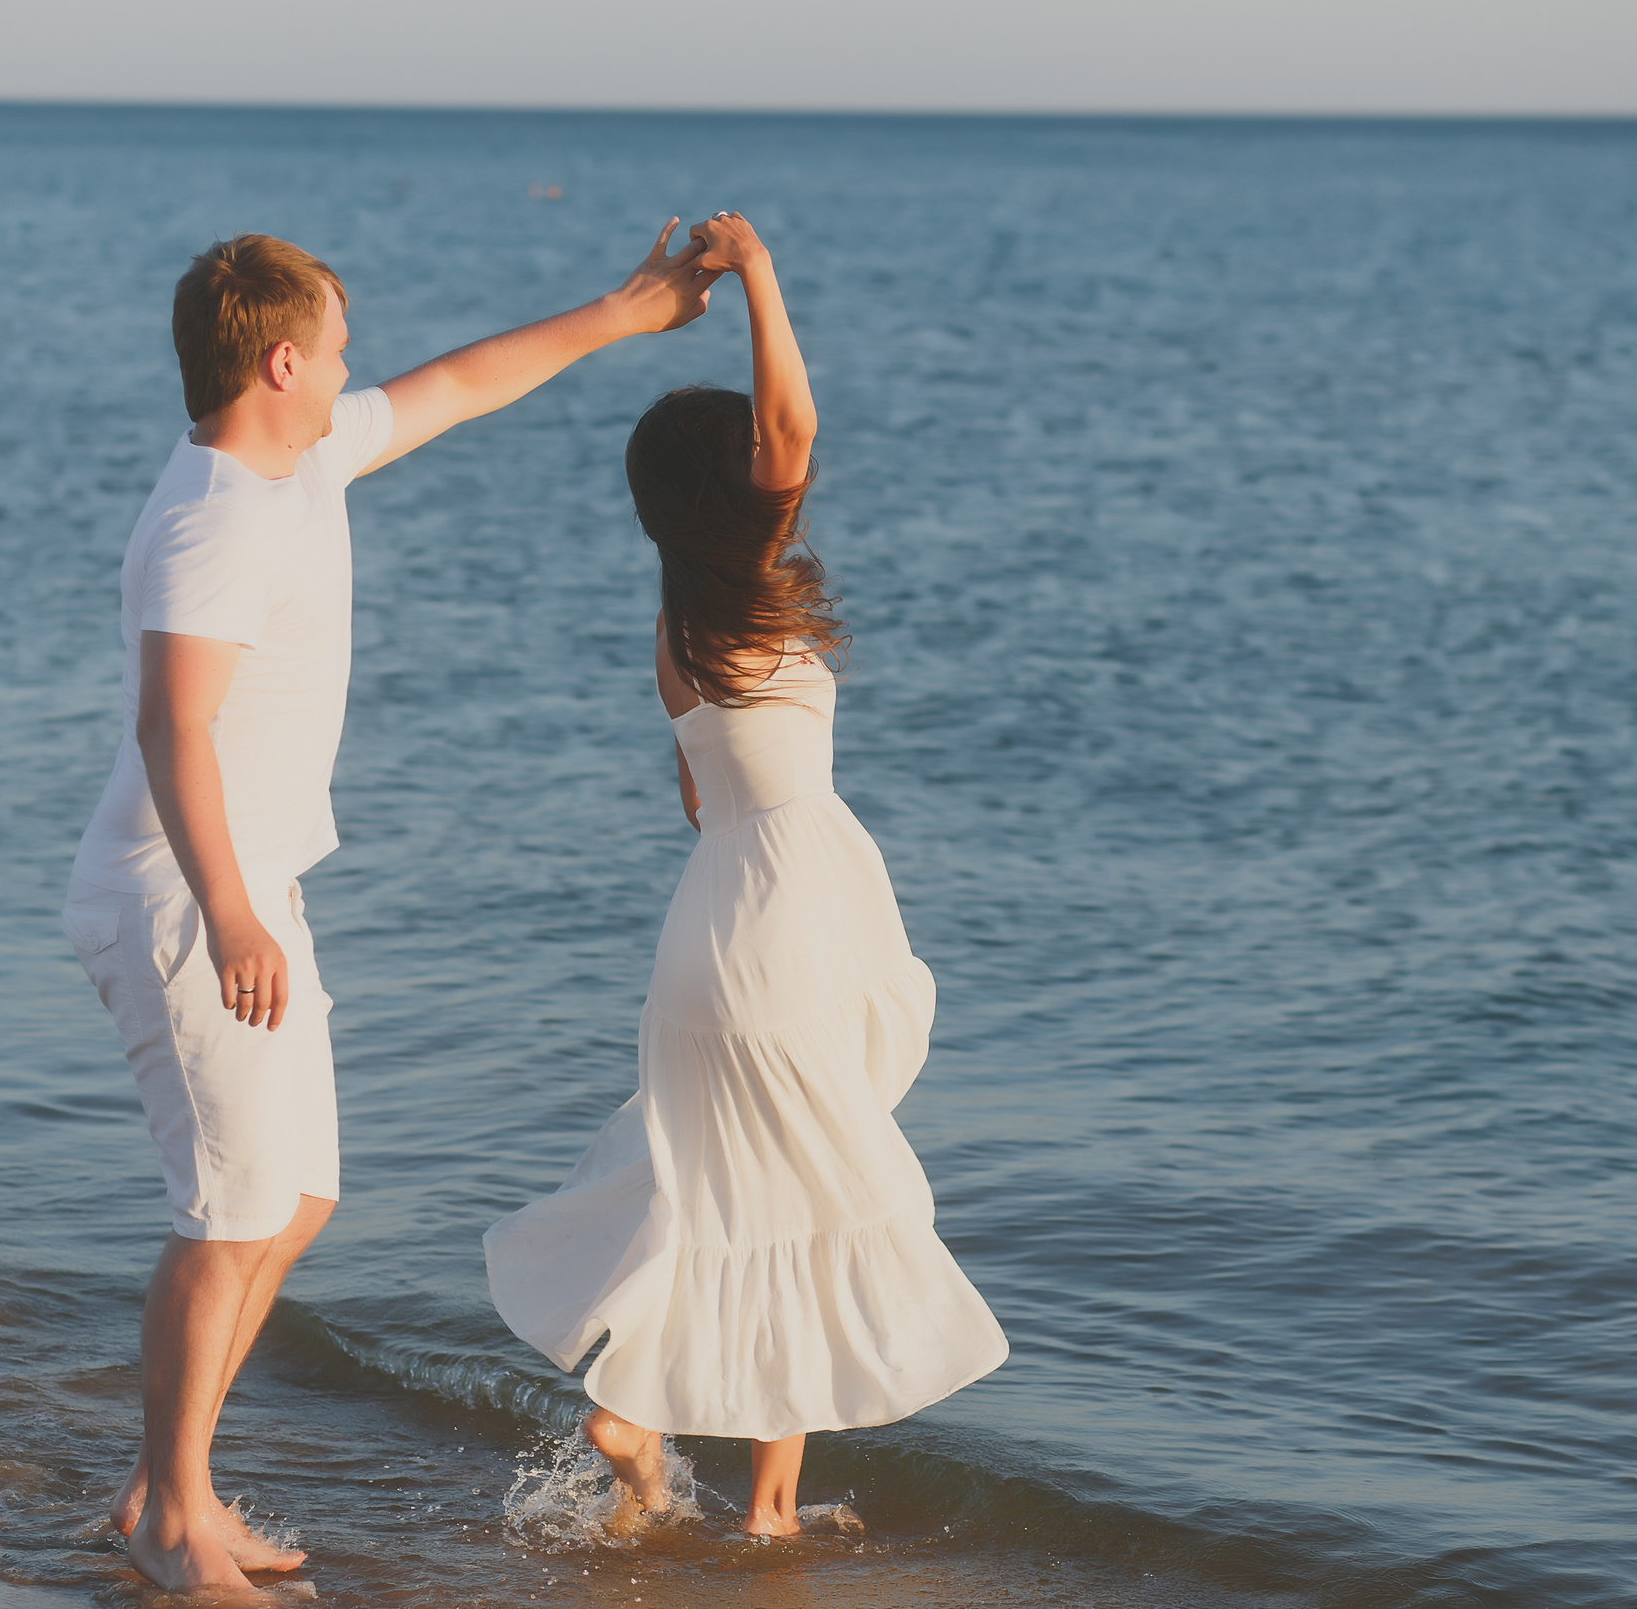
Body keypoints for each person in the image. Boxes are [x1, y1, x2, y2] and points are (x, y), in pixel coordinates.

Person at [62, 222, 716, 1595]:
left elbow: (466, 384)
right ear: (283, 360)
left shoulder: (298, 462)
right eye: (341, 348)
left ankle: (163, 1488)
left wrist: (628, 312)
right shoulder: (213, 520)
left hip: (249, 888)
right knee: (227, 1215)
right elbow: (176, 732)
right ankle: (176, 1523)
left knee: (293, 1201)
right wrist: (231, 914)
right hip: (185, 899)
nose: (360, 370)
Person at [484, 213, 1007, 1537]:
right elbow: (796, 434)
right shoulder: (745, 594)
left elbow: (694, 796)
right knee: (826, 1193)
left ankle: (665, 1437)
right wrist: (758, 270)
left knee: (722, 1188)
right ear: (740, 496)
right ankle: (751, 1499)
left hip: (708, 931)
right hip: (786, 924)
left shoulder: (678, 625)